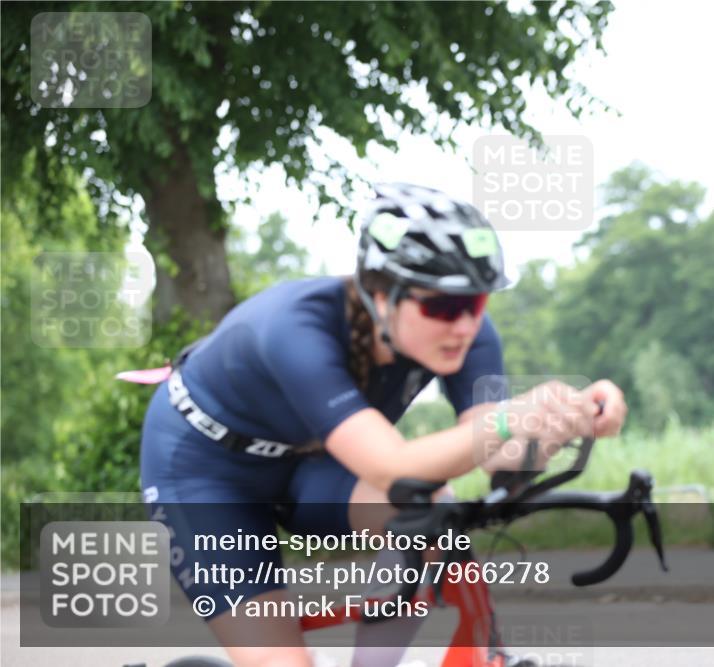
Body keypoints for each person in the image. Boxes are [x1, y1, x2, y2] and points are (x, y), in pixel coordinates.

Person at [138, 183, 628, 667]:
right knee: (279, 661)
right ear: (380, 295)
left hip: (308, 462)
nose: (463, 325)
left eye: (475, 304)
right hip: (204, 469)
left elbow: (498, 454)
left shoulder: (469, 336)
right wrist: (510, 418)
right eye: (440, 306)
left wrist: (559, 426)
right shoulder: (295, 328)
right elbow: (393, 469)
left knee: (432, 521)